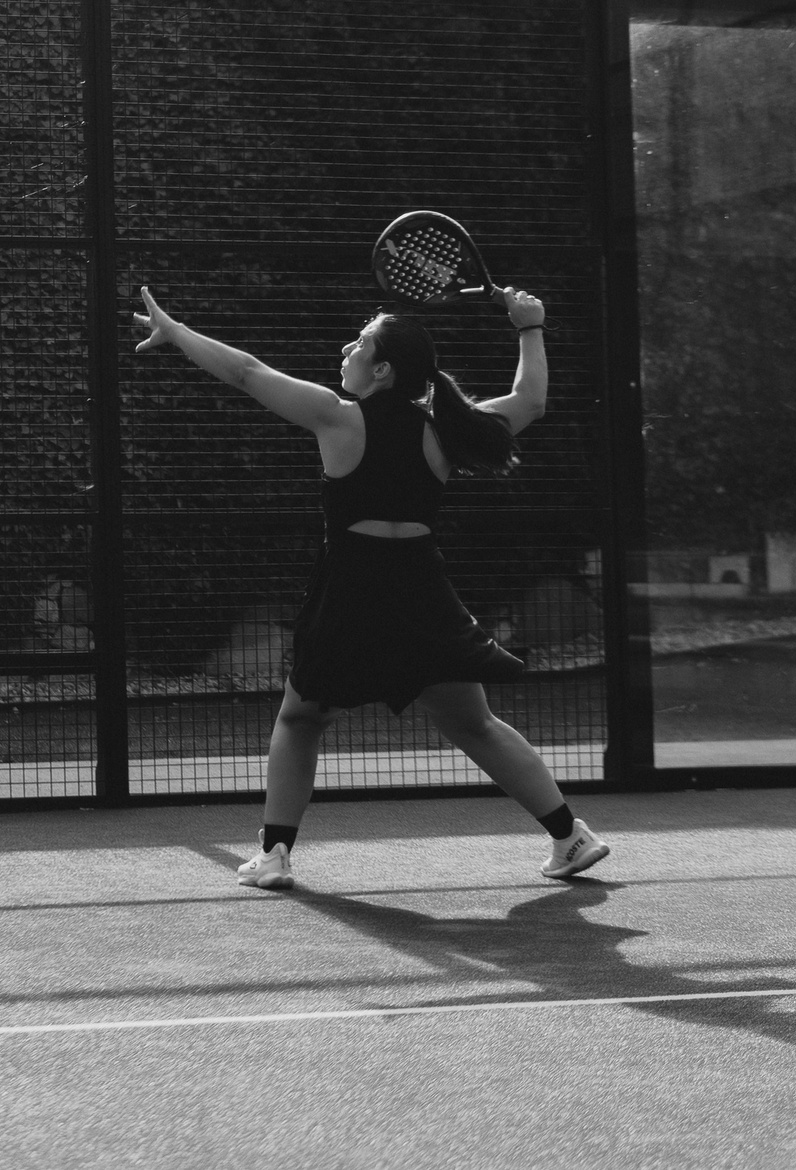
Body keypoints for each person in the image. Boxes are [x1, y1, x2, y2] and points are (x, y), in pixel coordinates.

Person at [132, 285, 608, 890]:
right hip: (420, 590)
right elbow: (531, 401)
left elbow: (248, 372)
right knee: (475, 724)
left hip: (352, 588)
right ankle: (571, 838)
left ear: (381, 370)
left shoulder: (339, 415)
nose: (346, 348)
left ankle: (275, 855)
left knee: (301, 719)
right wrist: (531, 326)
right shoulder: (448, 428)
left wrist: (175, 332)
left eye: (359, 343)